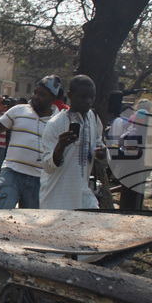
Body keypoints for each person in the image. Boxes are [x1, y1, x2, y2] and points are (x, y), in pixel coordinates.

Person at [0, 75, 59, 209]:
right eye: (35, 92)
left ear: (52, 99)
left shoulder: (58, 120)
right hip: (12, 172)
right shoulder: (18, 110)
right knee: (2, 210)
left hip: (39, 178)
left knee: (28, 221)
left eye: (41, 94)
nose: (36, 97)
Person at [40, 75, 105, 210]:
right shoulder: (55, 124)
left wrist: (100, 151)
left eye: (91, 97)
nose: (88, 101)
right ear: (70, 95)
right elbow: (47, 165)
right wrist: (61, 146)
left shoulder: (93, 118)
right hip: (58, 193)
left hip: (83, 190)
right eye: (82, 97)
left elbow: (98, 141)